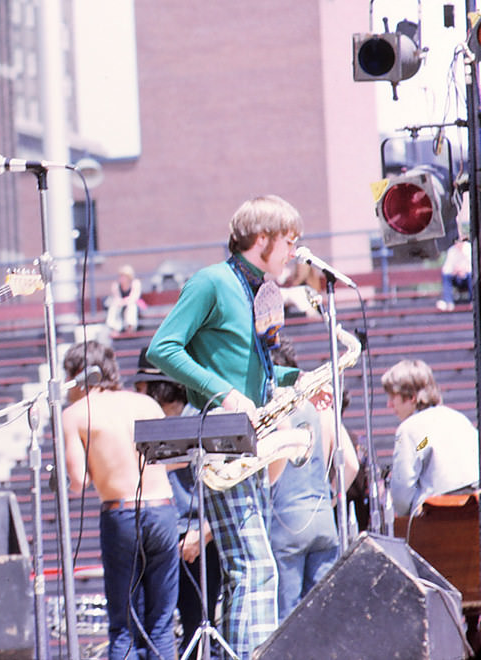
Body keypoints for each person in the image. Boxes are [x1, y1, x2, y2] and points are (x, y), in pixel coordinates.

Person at [146, 194, 305, 658]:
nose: (294, 251)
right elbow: (162, 348)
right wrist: (220, 391)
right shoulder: (211, 282)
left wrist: (298, 382)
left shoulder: (258, 290)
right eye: (289, 241)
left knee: (253, 566)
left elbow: (254, 368)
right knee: (252, 565)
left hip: (248, 438)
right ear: (262, 240)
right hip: (222, 437)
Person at [61, 340, 178, 660]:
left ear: (75, 375)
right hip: (163, 511)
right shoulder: (145, 403)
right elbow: (168, 458)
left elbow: (77, 481)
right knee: (162, 623)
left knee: (124, 625)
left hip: (121, 514)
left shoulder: (74, 415)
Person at [134, 348, 220, 658]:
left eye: (141, 385)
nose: (137, 392)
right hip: (161, 539)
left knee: (199, 625)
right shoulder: (144, 423)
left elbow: (223, 487)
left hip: (199, 541)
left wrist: (205, 532)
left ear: (159, 387)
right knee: (152, 625)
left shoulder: (199, 420)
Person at [268, 335, 358, 621]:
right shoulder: (321, 408)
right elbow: (351, 465)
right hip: (322, 519)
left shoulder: (271, 410)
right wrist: (329, 498)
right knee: (321, 618)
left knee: (286, 620)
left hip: (284, 522)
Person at [382, 359, 480, 516]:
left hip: (434, 520)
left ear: (411, 397)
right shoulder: (459, 419)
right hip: (474, 515)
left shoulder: (407, 430)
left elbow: (401, 495)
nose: (389, 404)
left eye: (393, 397)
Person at [105, 264, 144, 333]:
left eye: (124, 276)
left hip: (135, 306)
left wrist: (124, 302)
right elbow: (117, 298)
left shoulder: (135, 283)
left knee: (131, 306)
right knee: (114, 305)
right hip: (121, 305)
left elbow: (134, 298)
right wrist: (121, 302)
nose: (122, 278)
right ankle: (113, 327)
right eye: (121, 276)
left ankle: (130, 327)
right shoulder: (116, 285)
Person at [437, 238, 471, 312]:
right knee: (446, 276)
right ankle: (448, 302)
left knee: (471, 276)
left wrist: (463, 270)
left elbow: (473, 267)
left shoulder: (469, 248)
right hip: (456, 278)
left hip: (468, 277)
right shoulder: (452, 251)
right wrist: (455, 271)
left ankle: (473, 301)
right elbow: (446, 270)